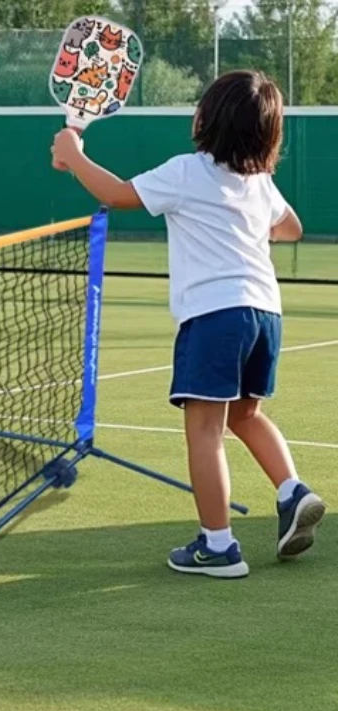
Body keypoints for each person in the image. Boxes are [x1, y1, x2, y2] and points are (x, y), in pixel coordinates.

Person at [51, 70, 326, 578]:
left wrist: (73, 155)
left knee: (204, 431)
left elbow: (115, 194)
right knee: (245, 414)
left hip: (215, 316)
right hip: (265, 315)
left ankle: (219, 546)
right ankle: (293, 491)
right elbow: (291, 229)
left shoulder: (186, 171)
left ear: (208, 120)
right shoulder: (259, 183)